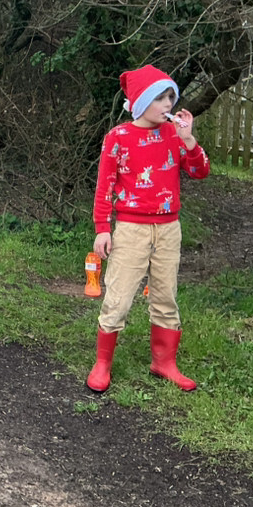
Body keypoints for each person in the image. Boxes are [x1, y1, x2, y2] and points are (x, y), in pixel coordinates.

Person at [86, 64, 210, 393]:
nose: (169, 103)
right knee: (118, 297)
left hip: (169, 229)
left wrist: (189, 140)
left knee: (166, 296)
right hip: (131, 230)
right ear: (141, 101)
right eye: (160, 98)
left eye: (171, 97)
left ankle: (164, 363)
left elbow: (200, 171)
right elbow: (104, 186)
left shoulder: (174, 135)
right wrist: (102, 228)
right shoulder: (118, 137)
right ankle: (103, 364)